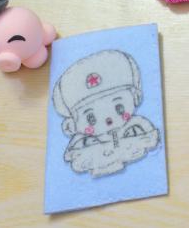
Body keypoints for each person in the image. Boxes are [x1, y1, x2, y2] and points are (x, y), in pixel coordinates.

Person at [52, 49, 160, 177]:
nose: (108, 120)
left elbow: (150, 136)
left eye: (119, 108)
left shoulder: (136, 126)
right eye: (91, 118)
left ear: (135, 97)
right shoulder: (82, 141)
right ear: (72, 125)